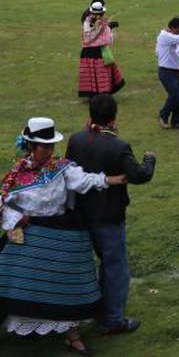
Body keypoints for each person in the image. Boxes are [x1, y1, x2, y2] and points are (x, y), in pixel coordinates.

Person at [0, 117, 125, 355]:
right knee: (21, 283)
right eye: (45, 146)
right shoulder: (17, 174)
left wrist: (110, 179)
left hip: (63, 237)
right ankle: (31, 327)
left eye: (52, 146)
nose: (50, 151)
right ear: (31, 147)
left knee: (67, 286)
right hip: (29, 239)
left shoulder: (62, 168)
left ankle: (72, 335)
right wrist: (15, 217)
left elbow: (83, 180)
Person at [66, 94, 156, 336]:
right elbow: (139, 175)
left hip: (82, 214)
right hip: (108, 215)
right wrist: (150, 159)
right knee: (115, 266)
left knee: (98, 263)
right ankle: (113, 319)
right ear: (114, 117)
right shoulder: (118, 146)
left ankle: (98, 309)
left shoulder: (76, 139)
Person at [79, 0, 125, 97]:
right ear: (102, 12)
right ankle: (102, 94)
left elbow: (88, 34)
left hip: (86, 52)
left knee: (90, 74)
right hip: (99, 53)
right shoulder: (103, 25)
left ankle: (91, 94)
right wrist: (109, 28)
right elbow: (108, 40)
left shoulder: (86, 22)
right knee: (102, 74)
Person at [155, 17, 179, 130]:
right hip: (166, 71)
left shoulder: (172, 38)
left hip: (173, 71)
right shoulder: (165, 36)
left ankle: (176, 120)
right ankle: (163, 115)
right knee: (174, 94)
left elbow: (178, 53)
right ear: (172, 28)